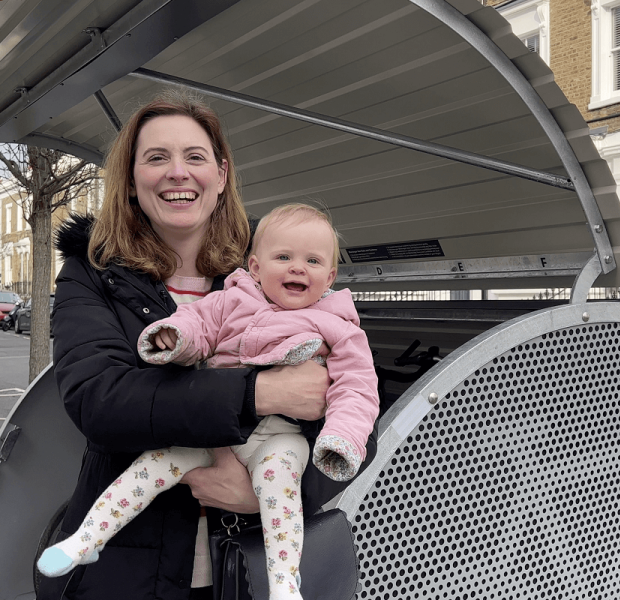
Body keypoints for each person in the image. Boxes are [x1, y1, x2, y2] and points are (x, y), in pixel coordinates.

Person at [38, 92, 377, 600]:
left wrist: (280, 493)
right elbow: (100, 400)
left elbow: (356, 409)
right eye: (157, 158)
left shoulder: (279, 265)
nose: (178, 173)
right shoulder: (93, 274)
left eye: (195, 157)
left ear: (220, 176)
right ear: (131, 181)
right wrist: (258, 393)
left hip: (245, 568)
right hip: (129, 573)